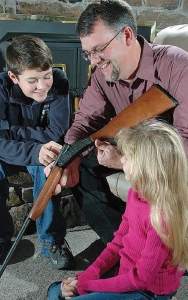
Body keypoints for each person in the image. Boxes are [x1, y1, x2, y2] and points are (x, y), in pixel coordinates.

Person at [48, 0, 188, 245]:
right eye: (87, 53)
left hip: (173, 161)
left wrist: (126, 160)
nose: (93, 60)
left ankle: (170, 251)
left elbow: (184, 146)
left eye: (99, 49)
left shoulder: (177, 66)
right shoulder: (104, 75)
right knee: (80, 162)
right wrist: (68, 155)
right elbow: (85, 121)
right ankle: (126, 247)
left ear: (126, 35)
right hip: (134, 151)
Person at [47, 119, 188, 300]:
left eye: (127, 158)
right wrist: (88, 276)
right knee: (55, 292)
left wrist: (86, 286)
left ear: (145, 168)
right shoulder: (135, 194)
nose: (121, 160)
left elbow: (140, 280)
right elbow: (118, 242)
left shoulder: (161, 217)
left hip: (146, 291)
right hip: (124, 275)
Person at [0, 34, 76, 270]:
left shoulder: (60, 81)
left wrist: (8, 133)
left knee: (47, 163)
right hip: (15, 153)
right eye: (32, 80)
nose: (42, 86)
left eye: (46, 76)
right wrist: (33, 148)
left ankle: (52, 239)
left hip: (27, 150)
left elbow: (57, 132)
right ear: (13, 76)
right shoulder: (1, 84)